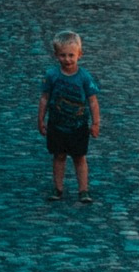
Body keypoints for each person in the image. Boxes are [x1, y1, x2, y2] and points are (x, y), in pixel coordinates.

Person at [39, 31, 102, 199]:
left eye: (71, 55)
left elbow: (93, 101)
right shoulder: (51, 75)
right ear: (56, 55)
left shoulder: (84, 77)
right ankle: (58, 189)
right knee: (59, 156)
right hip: (56, 124)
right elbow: (45, 98)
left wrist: (95, 123)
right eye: (63, 55)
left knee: (79, 157)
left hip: (79, 126)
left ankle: (83, 190)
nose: (67, 59)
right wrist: (41, 120)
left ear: (79, 54)